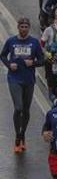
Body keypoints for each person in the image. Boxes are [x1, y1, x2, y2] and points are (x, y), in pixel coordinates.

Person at [1, 16, 44, 152]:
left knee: (26, 110)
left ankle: (22, 134)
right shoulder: (11, 41)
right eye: (21, 27)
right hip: (14, 79)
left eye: (26, 27)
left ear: (29, 28)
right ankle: (17, 137)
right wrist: (9, 65)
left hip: (29, 79)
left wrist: (33, 63)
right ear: (18, 27)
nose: (24, 29)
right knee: (18, 108)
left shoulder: (34, 42)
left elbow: (42, 60)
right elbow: (2, 55)